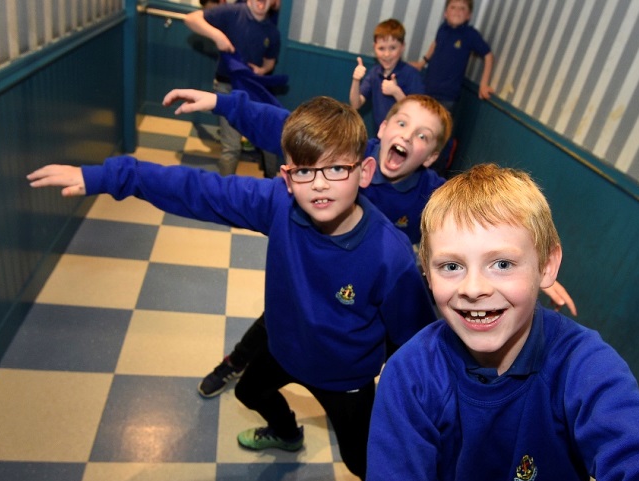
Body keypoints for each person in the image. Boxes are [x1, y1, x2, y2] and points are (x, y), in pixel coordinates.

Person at [27, 97, 437, 481]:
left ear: (363, 173)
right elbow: (200, 190)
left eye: (336, 170)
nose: (320, 185)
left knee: (360, 460)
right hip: (285, 350)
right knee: (249, 390)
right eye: (305, 172)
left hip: (344, 378)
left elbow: (414, 341)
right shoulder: (280, 204)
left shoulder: (390, 255)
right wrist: (113, 176)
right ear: (287, 178)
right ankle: (286, 433)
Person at [361, 164, 639, 481]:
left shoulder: (581, 363)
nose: (473, 288)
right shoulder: (410, 375)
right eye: (451, 266)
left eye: (502, 264)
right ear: (427, 271)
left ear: (547, 266)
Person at [162, 87, 578, 398]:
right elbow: (282, 126)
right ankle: (237, 360)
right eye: (401, 123)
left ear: (431, 157)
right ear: (381, 129)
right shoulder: (344, 153)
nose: (408, 137)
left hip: (362, 290)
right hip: (307, 284)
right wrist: (223, 104)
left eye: (423, 137)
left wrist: (527, 258)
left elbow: (477, 222)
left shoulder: (428, 195)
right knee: (277, 319)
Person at [185, 0, 280, 176]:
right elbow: (191, 19)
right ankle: (223, 195)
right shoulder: (231, 12)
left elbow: (270, 62)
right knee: (232, 148)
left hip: (254, 88)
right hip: (227, 87)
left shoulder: (272, 32)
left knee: (270, 139)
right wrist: (217, 35)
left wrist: (261, 70)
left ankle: (273, 186)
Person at [410, 0, 494, 174]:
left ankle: (436, 174)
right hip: (428, 91)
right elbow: (435, 43)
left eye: (462, 9)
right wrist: (422, 62)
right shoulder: (443, 29)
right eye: (453, 7)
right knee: (422, 129)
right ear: (445, 13)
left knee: (440, 136)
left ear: (469, 15)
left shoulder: (470, 35)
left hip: (448, 97)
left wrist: (484, 83)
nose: (457, 11)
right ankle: (416, 166)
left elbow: (488, 55)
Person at [350, 19, 425, 133]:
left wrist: (396, 92)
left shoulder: (411, 74)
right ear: (374, 47)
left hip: (404, 138)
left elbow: (418, 112)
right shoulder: (375, 73)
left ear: (402, 47)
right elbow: (356, 104)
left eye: (392, 48)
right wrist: (356, 80)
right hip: (379, 135)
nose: (386, 54)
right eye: (381, 48)